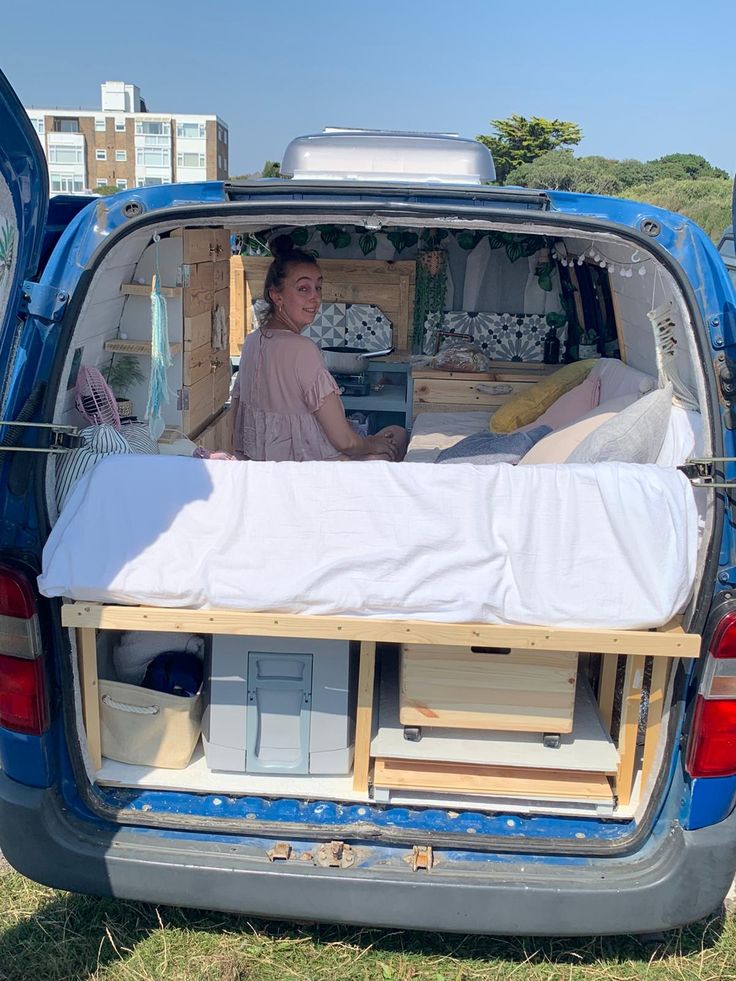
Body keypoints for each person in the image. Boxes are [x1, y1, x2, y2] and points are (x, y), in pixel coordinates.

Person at [232, 237, 408, 462]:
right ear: (277, 296)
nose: (315, 297)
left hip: (262, 464)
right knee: (398, 433)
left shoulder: (252, 341)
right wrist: (374, 443)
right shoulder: (302, 349)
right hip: (312, 471)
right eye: (303, 288)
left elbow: (237, 421)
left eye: (317, 287)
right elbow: (345, 442)